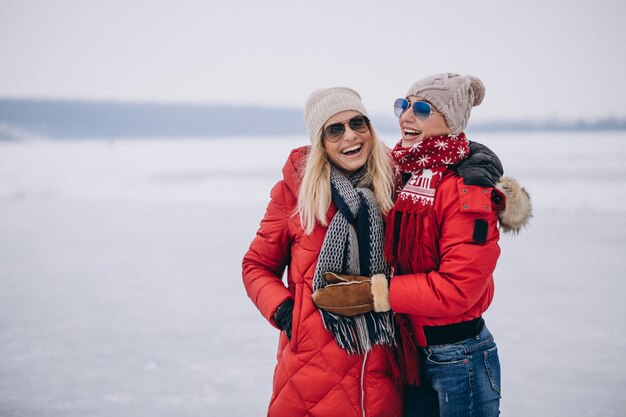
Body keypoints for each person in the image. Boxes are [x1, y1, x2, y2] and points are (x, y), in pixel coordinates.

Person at [312, 73, 532, 417]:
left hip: (459, 357)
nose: (406, 116)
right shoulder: (405, 172)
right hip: (412, 353)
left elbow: (460, 287)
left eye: (423, 109)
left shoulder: (467, 190)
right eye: (404, 105)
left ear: (452, 121)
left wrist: (375, 294)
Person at [242, 87, 403, 417]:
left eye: (357, 123)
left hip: (385, 369)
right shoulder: (296, 193)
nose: (350, 136)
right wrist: (288, 314)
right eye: (335, 129)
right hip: (310, 374)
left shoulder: (394, 185)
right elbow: (255, 265)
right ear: (321, 141)